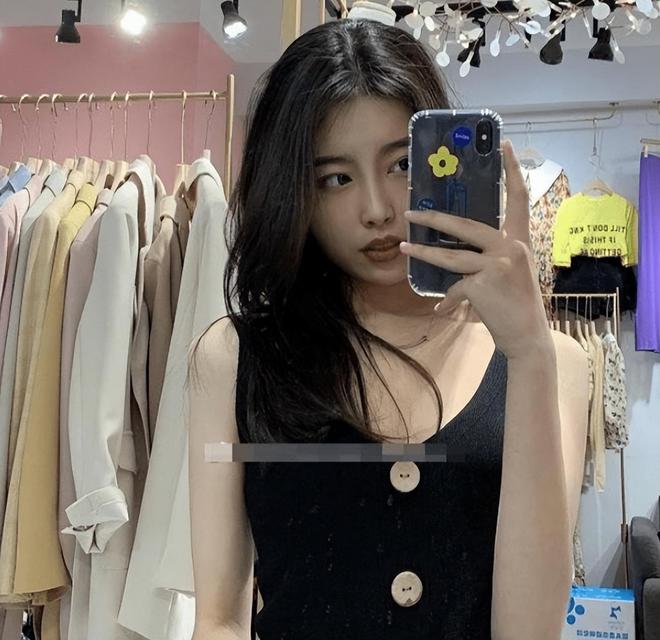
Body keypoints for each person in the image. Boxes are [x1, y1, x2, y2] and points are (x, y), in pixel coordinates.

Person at [188, 18, 588, 640]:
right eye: (335, 178)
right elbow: (218, 619)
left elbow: (531, 630)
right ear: (292, 192)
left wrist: (529, 352)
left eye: (401, 164)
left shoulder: (552, 361)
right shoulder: (238, 357)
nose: (376, 209)